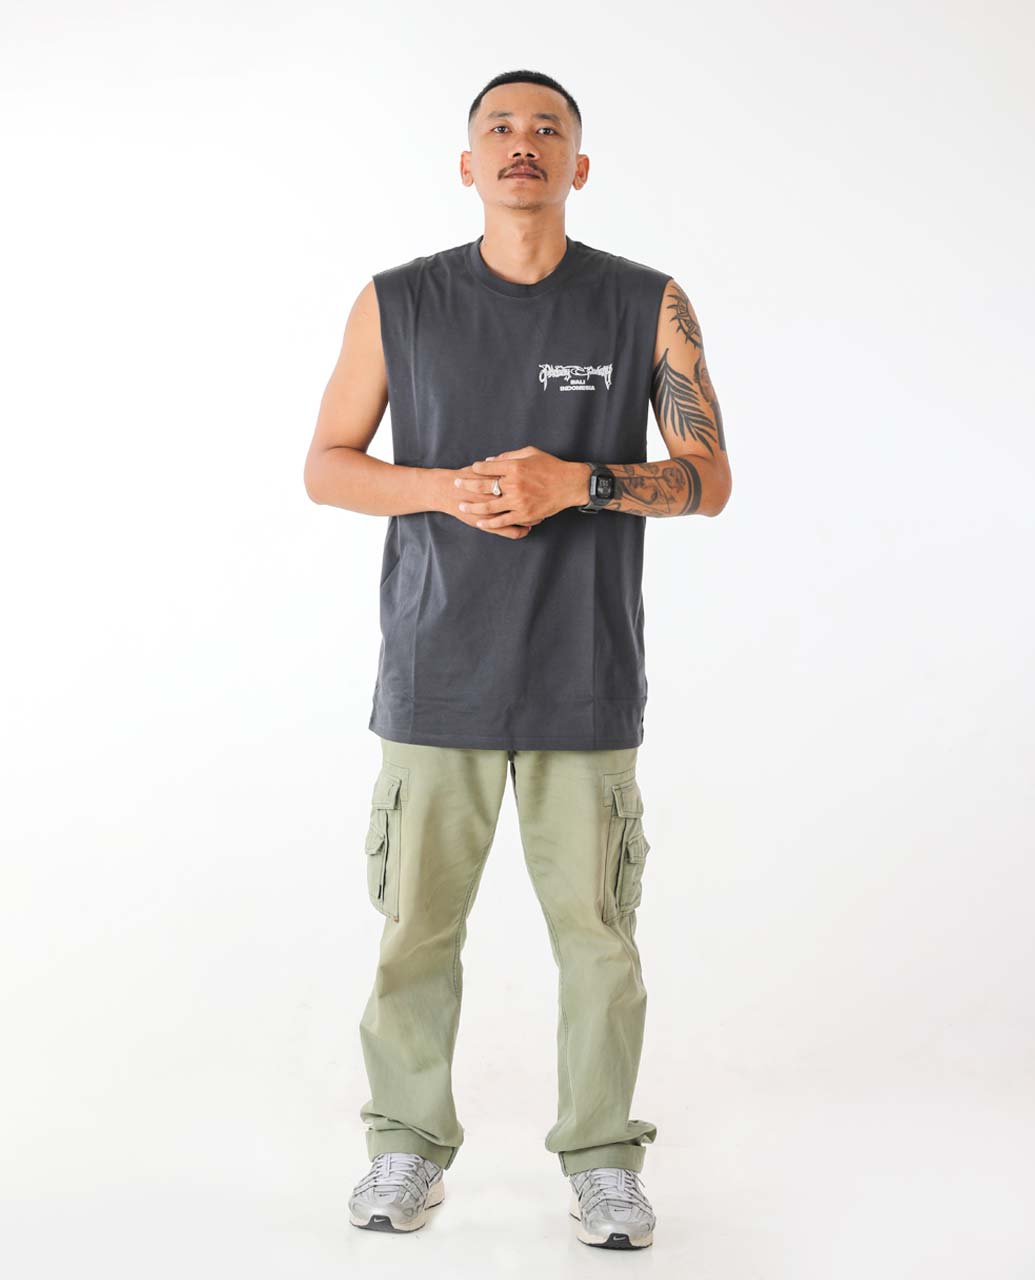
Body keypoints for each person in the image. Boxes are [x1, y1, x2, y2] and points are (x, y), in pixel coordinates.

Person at [303, 68, 731, 1251]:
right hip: (433, 669)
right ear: (468, 163)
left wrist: (578, 481)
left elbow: (709, 479)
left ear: (578, 165)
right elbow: (327, 464)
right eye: (499, 127)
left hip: (583, 675)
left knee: (598, 938)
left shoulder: (645, 302)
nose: (522, 142)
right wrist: (449, 488)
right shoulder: (398, 301)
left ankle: (603, 1162)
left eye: (548, 128)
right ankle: (405, 1144)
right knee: (416, 931)